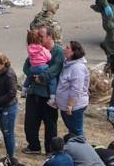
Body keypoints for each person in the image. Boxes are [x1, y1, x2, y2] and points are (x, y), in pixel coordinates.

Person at [23, 26, 64, 155]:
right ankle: (33, 146)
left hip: (48, 95)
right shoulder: (36, 49)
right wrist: (33, 75)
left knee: (50, 124)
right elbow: (27, 66)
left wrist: (42, 77)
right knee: (30, 121)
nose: (39, 39)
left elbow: (54, 69)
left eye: (41, 36)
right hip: (34, 92)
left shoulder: (57, 52)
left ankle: (50, 149)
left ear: (50, 37)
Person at [55, 40, 90, 138]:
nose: (64, 49)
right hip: (66, 106)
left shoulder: (77, 68)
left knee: (77, 132)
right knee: (72, 131)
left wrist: (70, 105)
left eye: (67, 48)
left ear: (73, 52)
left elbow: (76, 89)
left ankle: (82, 151)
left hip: (75, 107)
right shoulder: (68, 63)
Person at [0, 51, 19, 158]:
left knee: (8, 133)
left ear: (3, 64)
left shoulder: (9, 75)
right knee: (5, 133)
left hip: (8, 107)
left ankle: (11, 157)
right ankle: (9, 155)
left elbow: (12, 93)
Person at [22, 29, 56, 105]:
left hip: (33, 68)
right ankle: (53, 97)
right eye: (40, 36)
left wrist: (33, 76)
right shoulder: (42, 49)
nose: (41, 38)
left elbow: (28, 64)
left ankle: (24, 89)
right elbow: (49, 58)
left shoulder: (29, 49)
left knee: (29, 77)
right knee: (53, 81)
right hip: (42, 68)